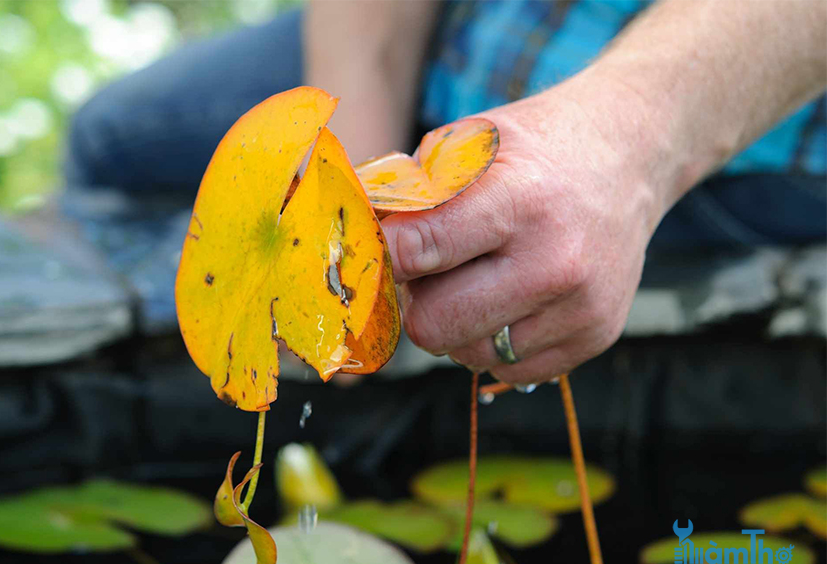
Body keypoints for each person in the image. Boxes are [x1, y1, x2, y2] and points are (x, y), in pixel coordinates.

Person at [66, 0, 826, 387]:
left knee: (530, 308)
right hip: (483, 26)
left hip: (763, 107)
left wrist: (631, 150)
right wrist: (353, 168)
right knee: (113, 142)